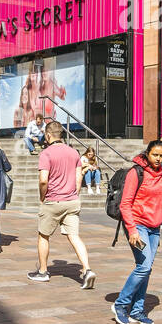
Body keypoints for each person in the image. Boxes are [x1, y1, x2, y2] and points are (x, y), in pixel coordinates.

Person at [30, 121, 95, 289]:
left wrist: (42, 197)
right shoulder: (74, 153)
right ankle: (87, 269)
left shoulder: (46, 153)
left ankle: (43, 271)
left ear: (48, 135)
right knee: (74, 236)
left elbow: (43, 180)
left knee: (43, 235)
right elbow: (79, 177)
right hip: (72, 200)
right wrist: (75, 194)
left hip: (53, 200)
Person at [112, 140, 162, 324]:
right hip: (138, 225)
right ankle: (120, 305)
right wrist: (132, 230)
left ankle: (137, 311)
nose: (159, 159)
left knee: (146, 269)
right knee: (143, 267)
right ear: (147, 153)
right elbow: (125, 204)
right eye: (155, 155)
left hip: (155, 228)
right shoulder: (136, 172)